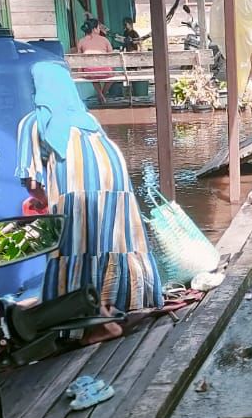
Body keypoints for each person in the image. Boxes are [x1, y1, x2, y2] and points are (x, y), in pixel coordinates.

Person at [16, 59, 163, 329]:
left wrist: (43, 202)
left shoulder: (34, 122)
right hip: (115, 177)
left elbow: (31, 180)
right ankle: (126, 302)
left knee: (74, 245)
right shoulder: (87, 118)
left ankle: (88, 319)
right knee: (115, 238)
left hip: (75, 182)